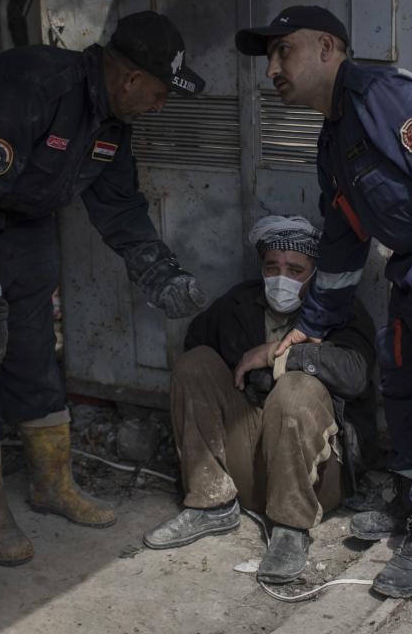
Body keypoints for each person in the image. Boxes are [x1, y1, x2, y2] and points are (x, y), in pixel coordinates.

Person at [235, 7, 412, 598]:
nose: (271, 69)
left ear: (327, 48)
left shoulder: (382, 97)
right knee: (400, 373)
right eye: (267, 58)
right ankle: (409, 496)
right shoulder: (333, 139)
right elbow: (344, 242)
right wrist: (311, 325)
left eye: (282, 52)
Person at [0, 11, 208, 566]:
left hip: (18, 214)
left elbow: (118, 206)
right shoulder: (35, 84)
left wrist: (158, 270)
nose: (161, 106)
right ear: (131, 78)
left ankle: (51, 484)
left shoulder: (112, 121)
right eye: (161, 93)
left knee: (32, 340)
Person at [142, 215, 377, 585]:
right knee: (195, 364)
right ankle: (211, 502)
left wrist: (276, 355)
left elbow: (355, 373)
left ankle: (290, 529)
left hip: (316, 479)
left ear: (315, 273)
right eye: (273, 267)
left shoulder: (341, 310)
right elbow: (197, 348)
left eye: (295, 269)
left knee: (296, 388)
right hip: (251, 461)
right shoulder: (238, 303)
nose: (281, 277)